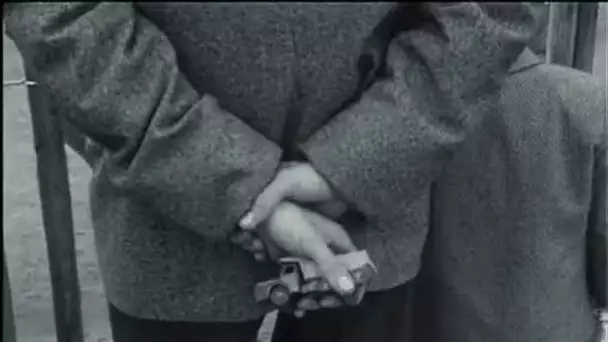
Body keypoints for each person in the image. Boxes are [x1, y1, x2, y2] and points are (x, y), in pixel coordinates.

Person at [4, 3, 541, 342]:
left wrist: (354, 162)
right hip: (169, 226)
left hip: (368, 214)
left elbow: (489, 11)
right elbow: (61, 16)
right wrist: (232, 177)